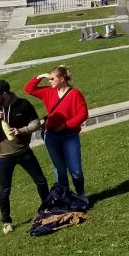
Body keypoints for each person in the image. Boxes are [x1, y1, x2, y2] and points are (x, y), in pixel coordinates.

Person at [0, 79, 50, 234]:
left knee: (41, 180)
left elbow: (36, 124)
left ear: (5, 94)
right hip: (4, 157)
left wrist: (21, 131)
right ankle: (6, 222)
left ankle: (47, 208)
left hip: (24, 152)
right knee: (5, 190)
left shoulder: (22, 104)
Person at [24, 66, 90, 199]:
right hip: (51, 136)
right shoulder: (48, 92)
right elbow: (28, 89)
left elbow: (83, 114)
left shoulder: (75, 93)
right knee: (59, 170)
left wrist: (65, 125)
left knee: (75, 170)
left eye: (52, 78)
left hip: (70, 136)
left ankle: (81, 194)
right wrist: (41, 76)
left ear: (62, 78)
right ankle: (64, 197)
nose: (50, 81)